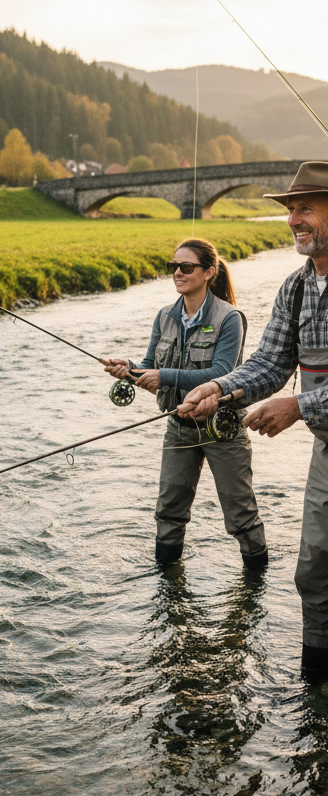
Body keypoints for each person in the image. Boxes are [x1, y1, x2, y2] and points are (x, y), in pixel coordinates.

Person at [177, 161, 328, 683]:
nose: (293, 220)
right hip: (327, 450)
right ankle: (316, 687)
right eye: (290, 210)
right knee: (314, 572)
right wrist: (219, 390)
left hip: (317, 427)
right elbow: (270, 362)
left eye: (305, 208)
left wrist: (300, 406)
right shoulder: (296, 287)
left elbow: (295, 397)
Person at [104, 238, 268, 568]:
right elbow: (150, 366)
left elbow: (221, 373)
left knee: (241, 515)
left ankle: (255, 582)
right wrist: (129, 370)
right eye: (173, 266)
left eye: (186, 266)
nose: (177, 272)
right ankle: (167, 583)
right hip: (178, 429)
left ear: (208, 272)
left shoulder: (230, 318)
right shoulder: (164, 316)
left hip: (222, 429)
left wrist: (163, 376)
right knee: (168, 512)